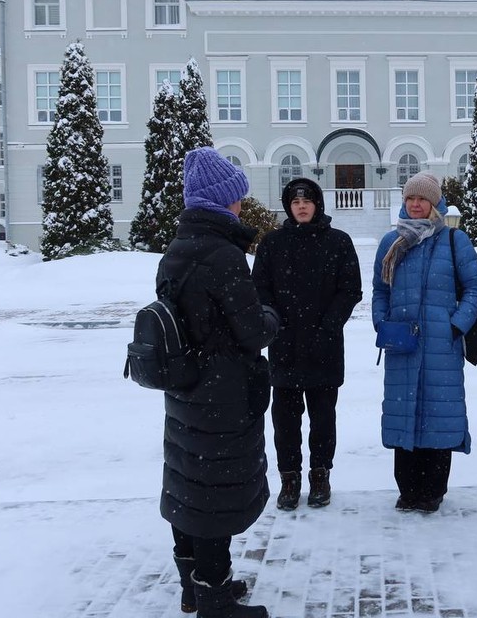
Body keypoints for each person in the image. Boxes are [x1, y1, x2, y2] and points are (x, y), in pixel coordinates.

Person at [158, 146, 281, 618]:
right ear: (220, 202)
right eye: (236, 198)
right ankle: (213, 594)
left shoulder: (178, 249)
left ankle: (194, 586)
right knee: (213, 494)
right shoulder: (223, 255)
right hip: (223, 393)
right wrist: (271, 313)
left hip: (187, 391)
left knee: (190, 484)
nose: (240, 207)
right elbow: (251, 331)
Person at [372, 170, 477, 513]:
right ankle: (408, 490)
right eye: (411, 198)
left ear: (435, 203)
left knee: (438, 413)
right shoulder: (391, 242)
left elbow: (475, 287)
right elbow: (380, 290)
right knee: (404, 412)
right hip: (402, 344)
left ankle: (433, 490)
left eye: (423, 198)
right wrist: (382, 322)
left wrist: (456, 326)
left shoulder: (454, 240)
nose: (416, 204)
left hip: (441, 345)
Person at [252, 177, 362, 511]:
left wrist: (328, 326)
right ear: (288, 205)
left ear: (318, 205)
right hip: (284, 346)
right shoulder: (272, 243)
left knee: (323, 418)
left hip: (324, 347)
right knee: (285, 421)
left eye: (308, 201)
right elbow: (260, 289)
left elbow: (350, 289)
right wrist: (276, 324)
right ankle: (289, 478)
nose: (301, 206)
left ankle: (320, 475)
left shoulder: (338, 243)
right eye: (296, 201)